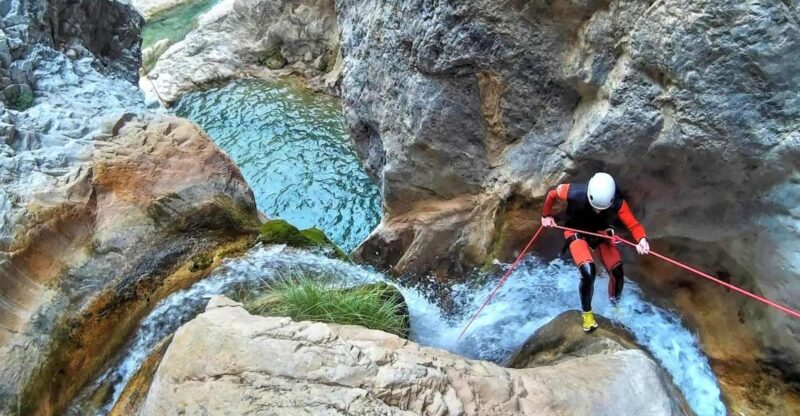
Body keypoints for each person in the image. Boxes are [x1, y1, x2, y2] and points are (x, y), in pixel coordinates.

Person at [541, 172, 650, 332]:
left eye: (602, 208)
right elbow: (552, 194)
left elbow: (633, 225)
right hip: (574, 231)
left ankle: (615, 306)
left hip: (600, 233)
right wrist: (546, 215)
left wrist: (642, 240)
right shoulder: (574, 192)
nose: (598, 211)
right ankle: (587, 315)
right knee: (588, 272)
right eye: (595, 207)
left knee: (617, 272)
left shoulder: (618, 203)